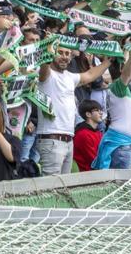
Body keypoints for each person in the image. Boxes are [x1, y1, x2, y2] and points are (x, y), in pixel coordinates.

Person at [36, 46, 111, 175]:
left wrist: (108, 61)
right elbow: (43, 71)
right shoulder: (46, 73)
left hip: (68, 140)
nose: (65, 56)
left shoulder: (70, 77)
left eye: (67, 53)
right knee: (50, 188)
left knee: (64, 188)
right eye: (60, 53)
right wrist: (47, 54)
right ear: (52, 54)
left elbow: (90, 75)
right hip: (52, 139)